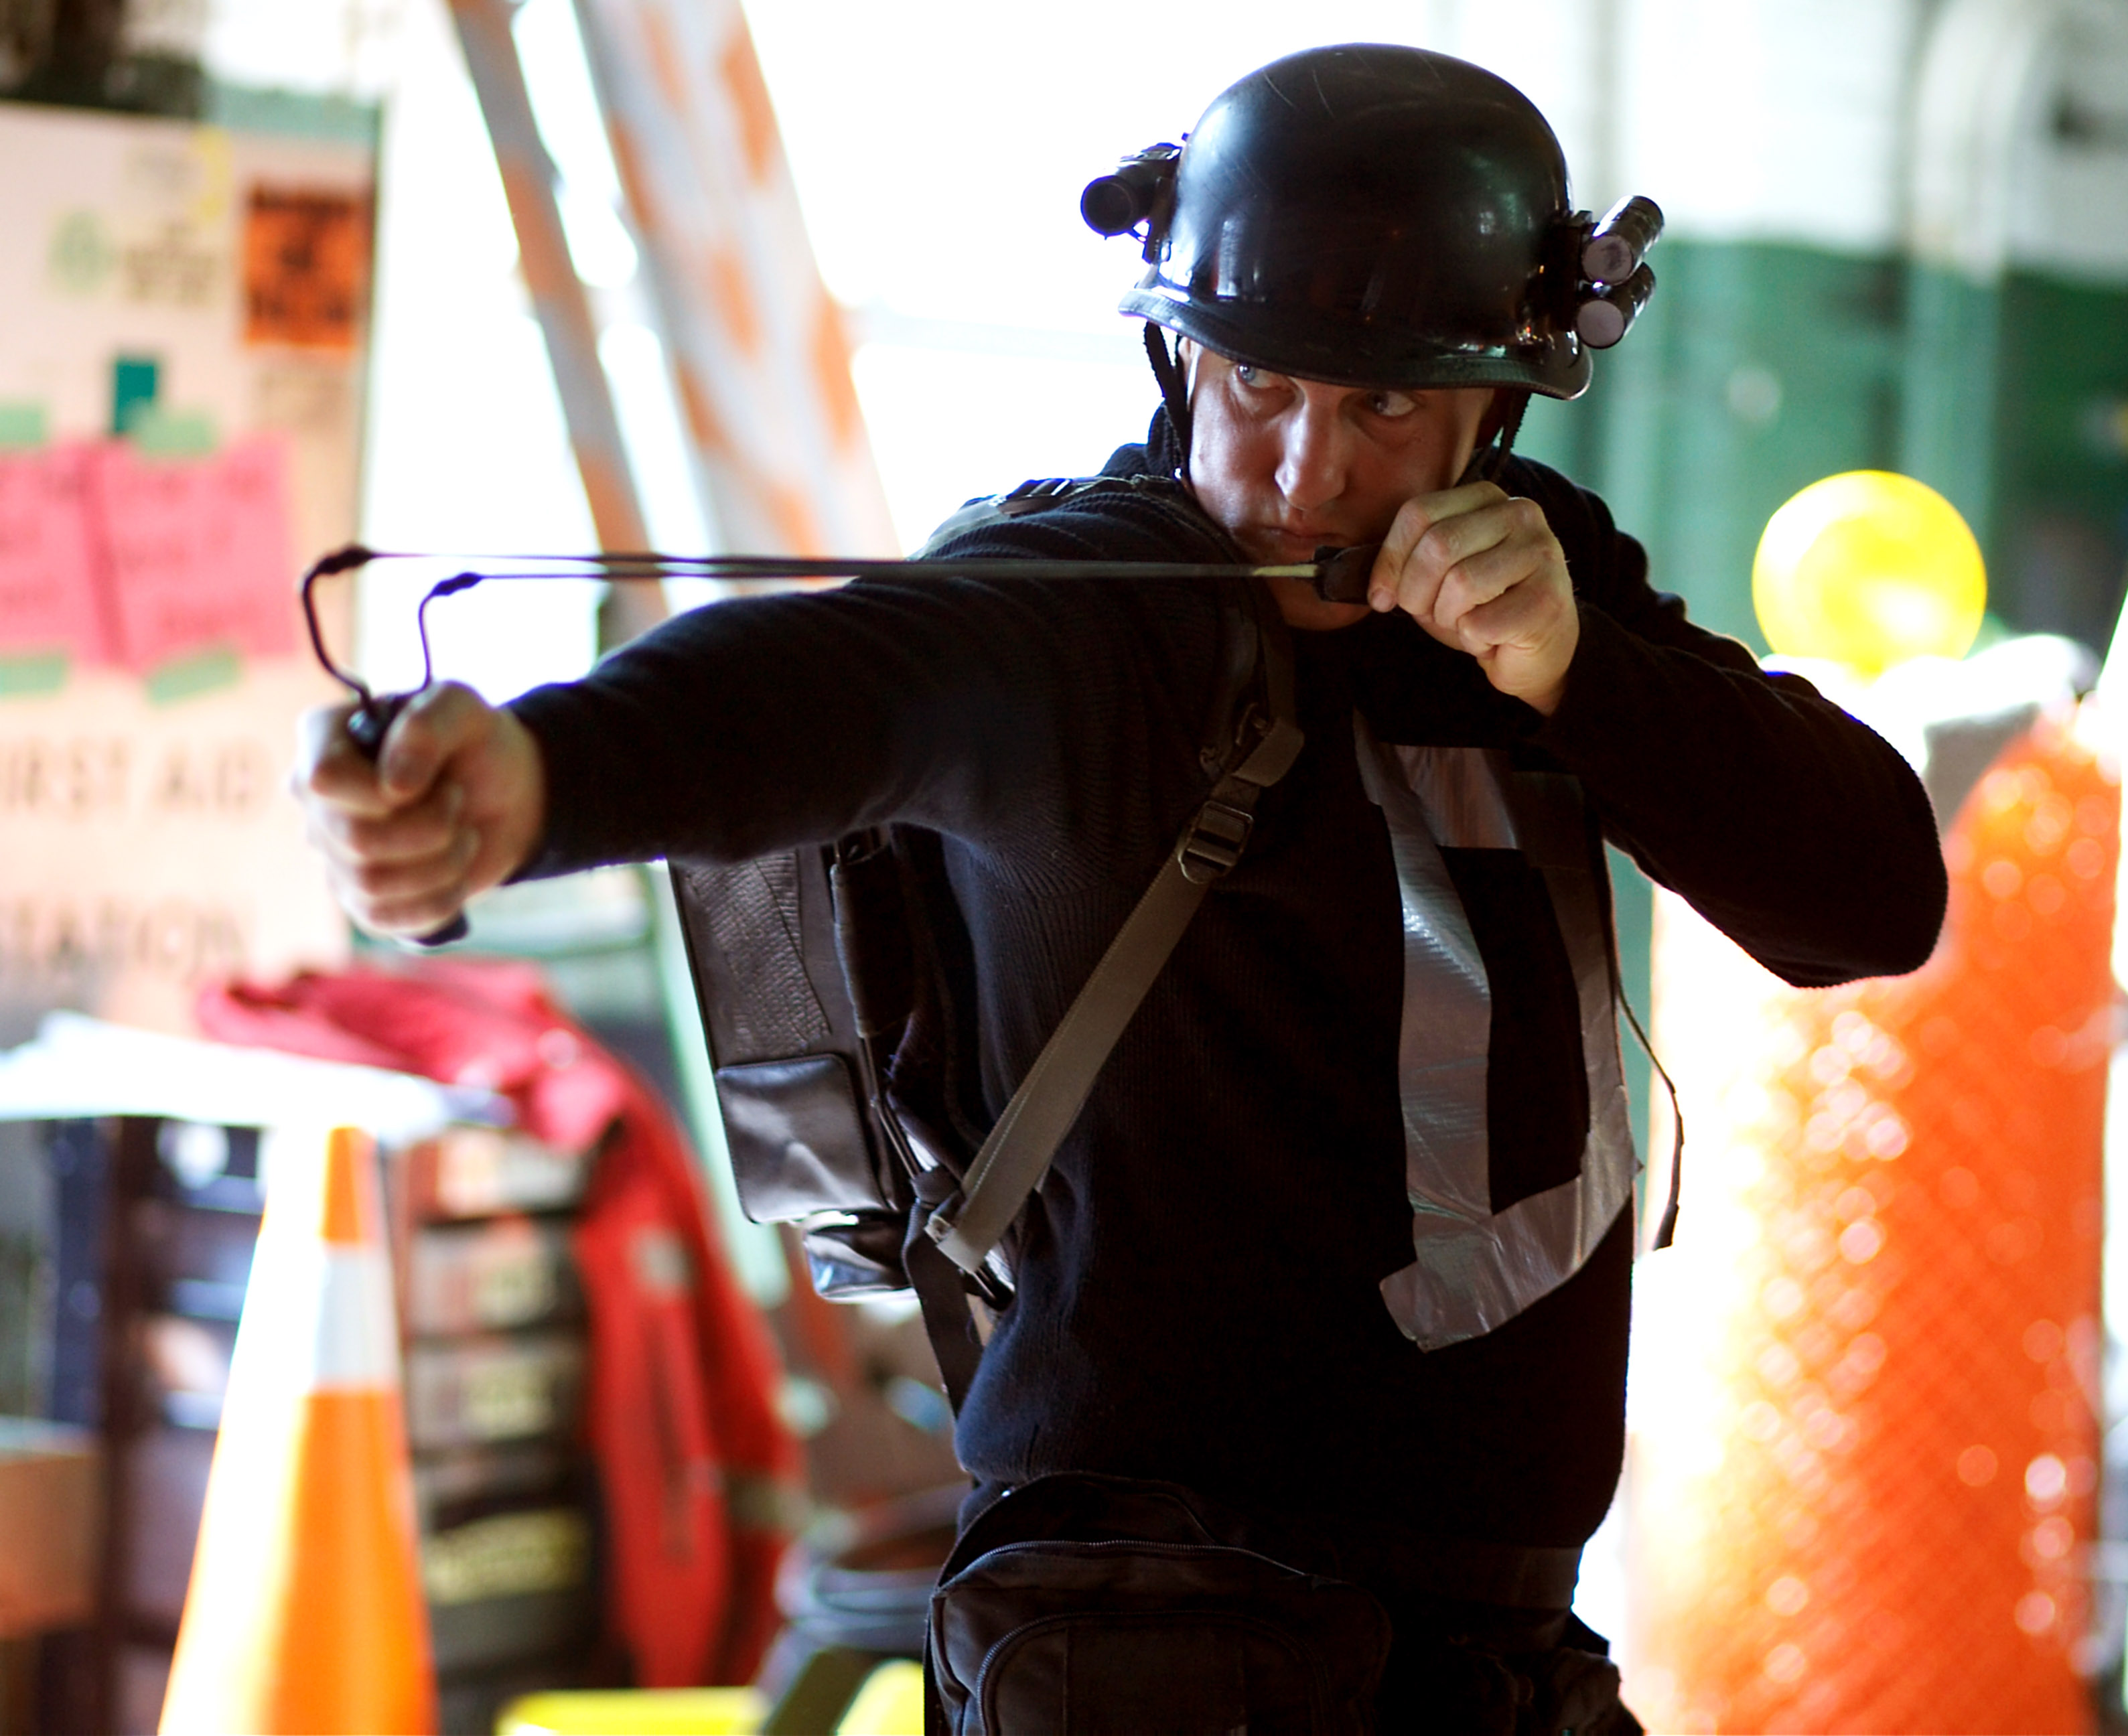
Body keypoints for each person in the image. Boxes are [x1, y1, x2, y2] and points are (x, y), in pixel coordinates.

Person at [294, 42, 1945, 1735]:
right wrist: (535, 778)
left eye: (1379, 405)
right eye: (1258, 384)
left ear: (1495, 407)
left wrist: (1590, 672)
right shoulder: (1087, 619)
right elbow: (835, 685)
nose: (1305, 473)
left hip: (1491, 1646)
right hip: (1146, 1626)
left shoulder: (1541, 591)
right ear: (1177, 355)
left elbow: (1875, 904)